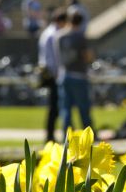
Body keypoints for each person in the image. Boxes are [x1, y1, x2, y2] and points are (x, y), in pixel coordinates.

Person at [55, 9, 94, 139]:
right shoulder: (79, 36)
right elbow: (87, 56)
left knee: (65, 109)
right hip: (79, 76)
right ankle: (88, 136)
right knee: (83, 109)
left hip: (64, 75)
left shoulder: (59, 36)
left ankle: (66, 136)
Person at [38, 7, 67, 142]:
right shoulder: (52, 34)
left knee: (54, 106)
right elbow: (51, 58)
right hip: (52, 74)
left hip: (49, 72)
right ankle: (49, 136)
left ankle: (50, 135)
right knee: (54, 107)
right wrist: (57, 74)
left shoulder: (48, 33)